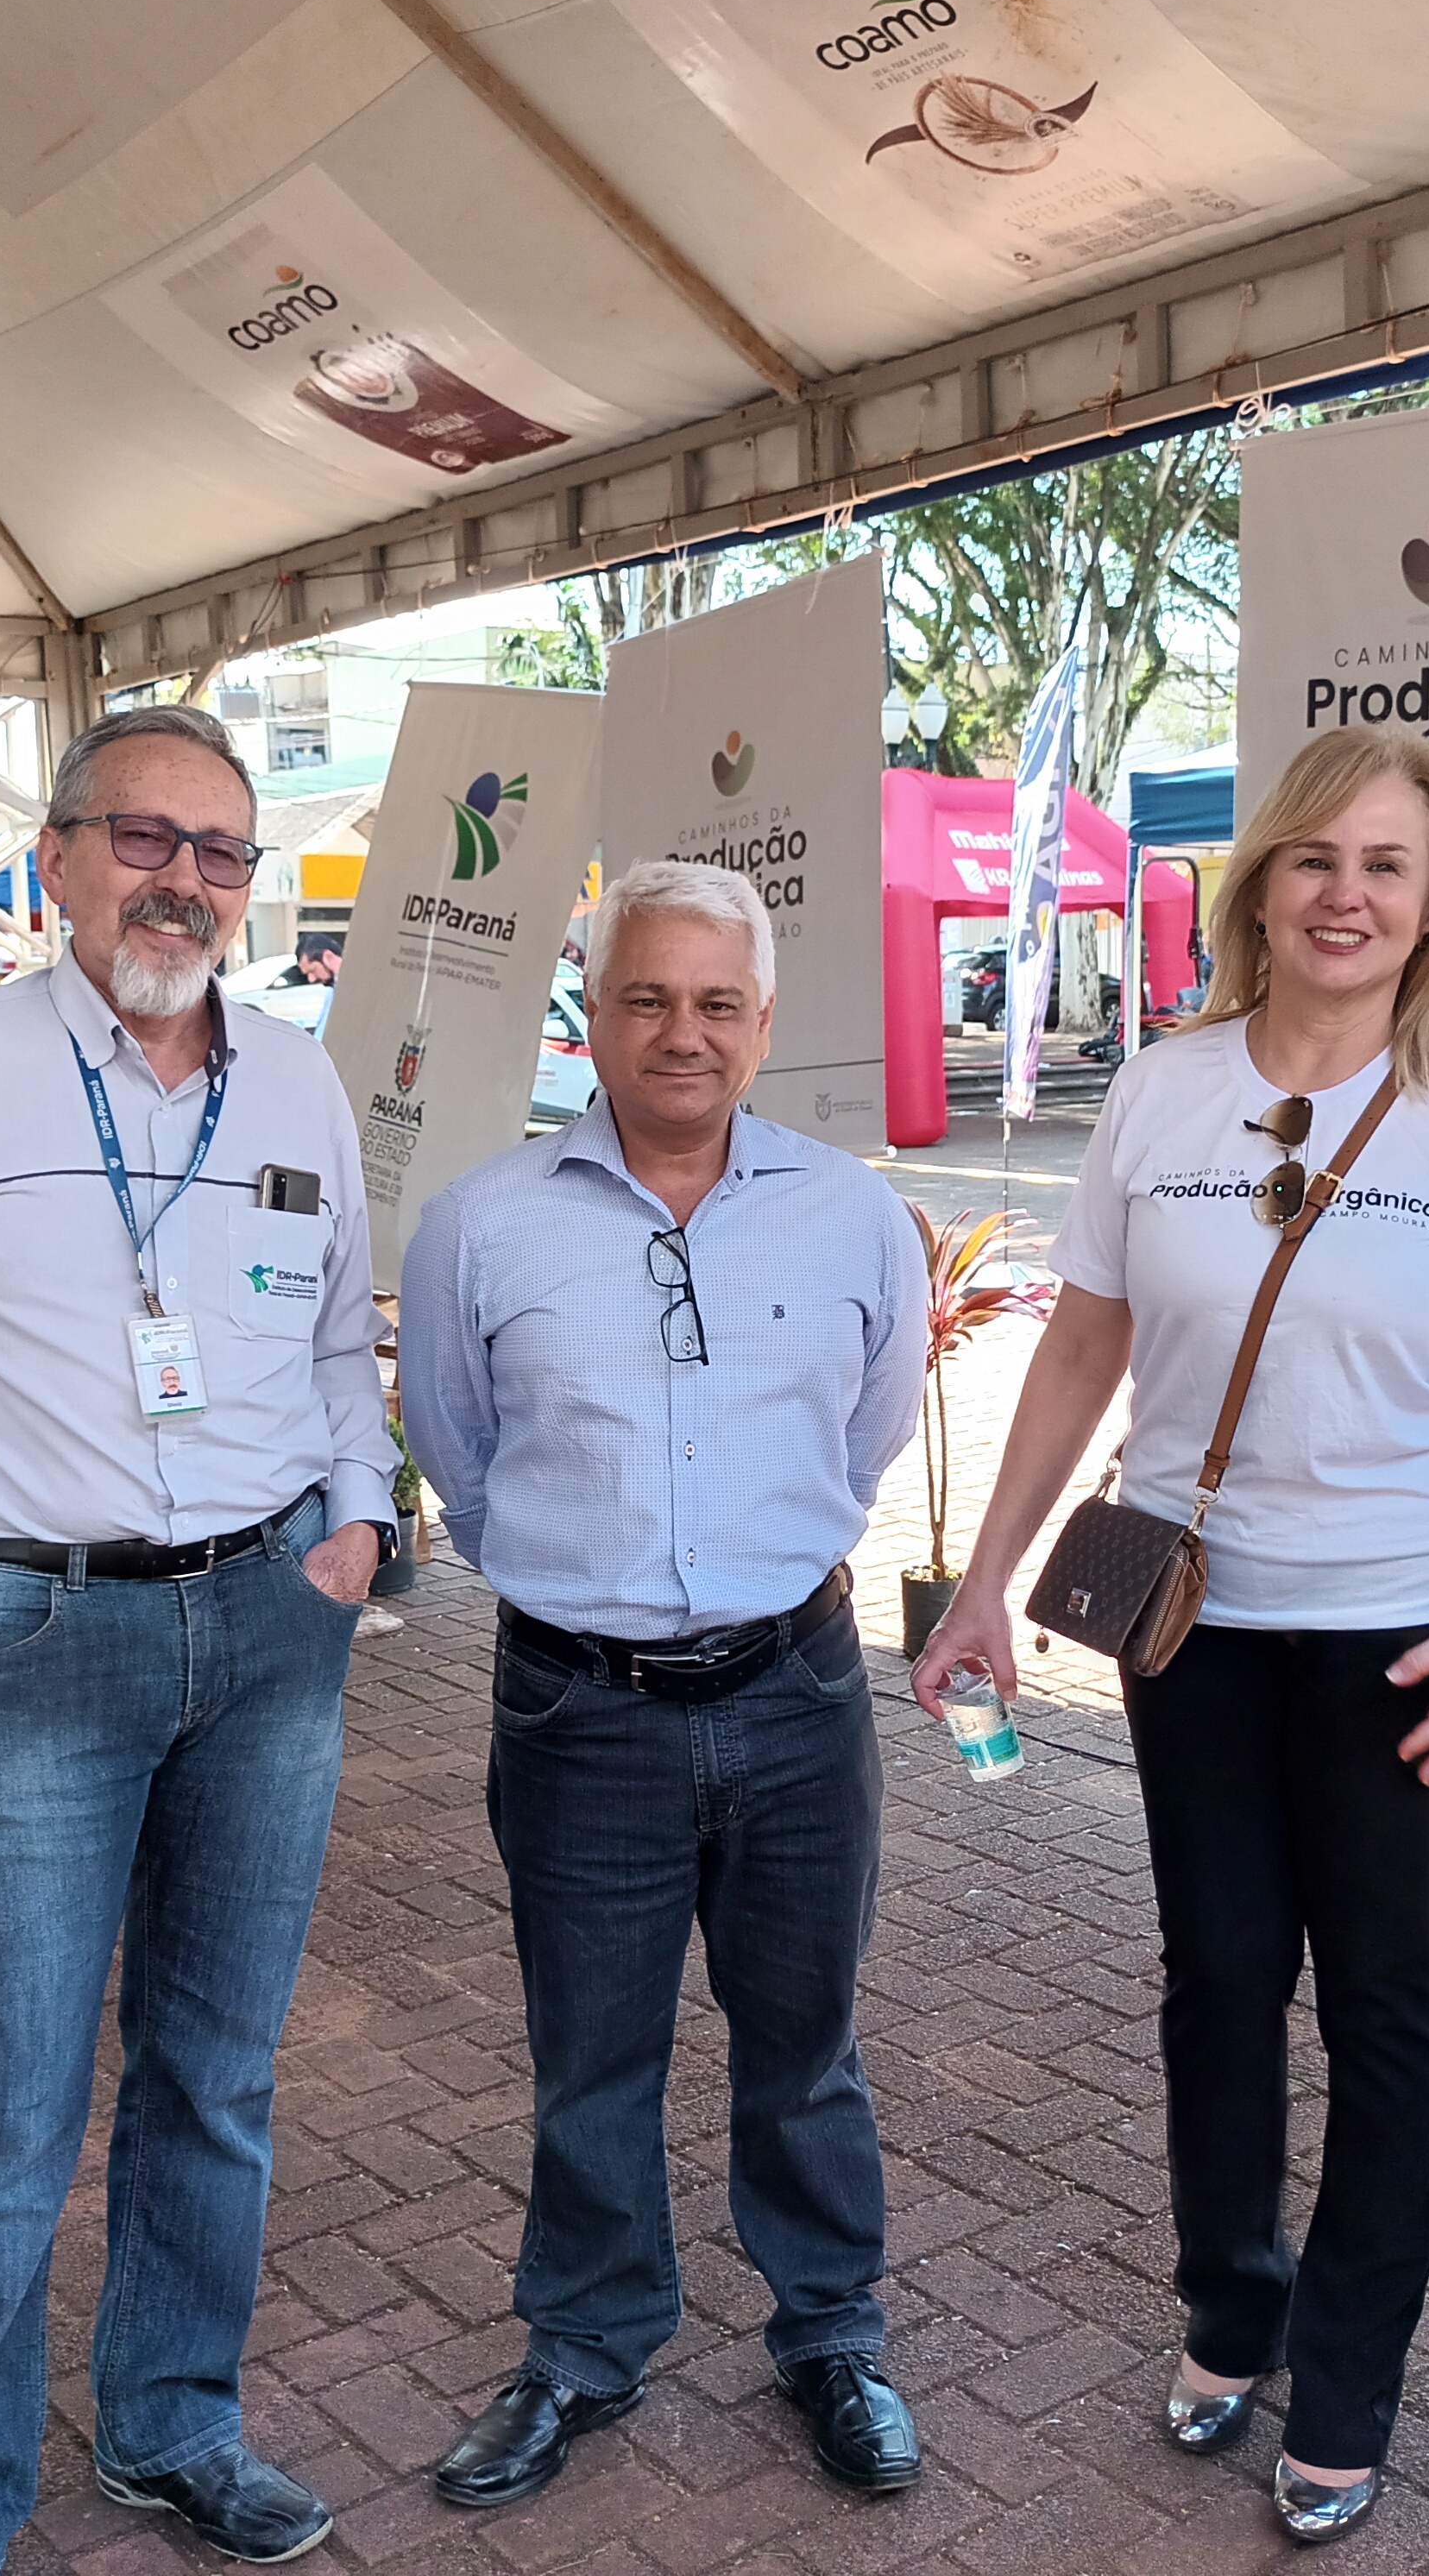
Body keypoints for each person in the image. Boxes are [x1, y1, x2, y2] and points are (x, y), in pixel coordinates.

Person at [914, 727, 1429, 2549]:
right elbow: (1079, 1349)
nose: (1346, 895)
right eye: (1313, 860)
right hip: (1189, 1616)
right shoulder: (1162, 1090)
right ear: (1256, 886)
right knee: (1215, 1974)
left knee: (1381, 2001)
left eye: (1385, 865)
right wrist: (983, 1575)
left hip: (1396, 1628)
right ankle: (1230, 2307)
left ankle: (1346, 2373)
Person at [0, 702, 396, 2573]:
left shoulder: (295, 1086)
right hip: (24, 1627)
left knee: (215, 2070)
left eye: (221, 852)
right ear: (53, 855)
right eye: (145, 838)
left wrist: (356, 1525)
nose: (185, 880)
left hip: (266, 1623)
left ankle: (169, 2422)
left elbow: (332, 1342)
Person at [400, 860, 931, 2510]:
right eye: (647, 997)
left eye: (716, 1003)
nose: (681, 1034)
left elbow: (871, 1429)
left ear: (762, 1024)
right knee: (591, 2055)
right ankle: (582, 2346)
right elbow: (458, 1463)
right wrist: (594, 1590)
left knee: (807, 2043)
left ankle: (831, 2331)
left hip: (797, 1692)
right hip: (581, 1710)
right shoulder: (483, 1223)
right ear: (596, 1013)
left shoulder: (850, 1215)